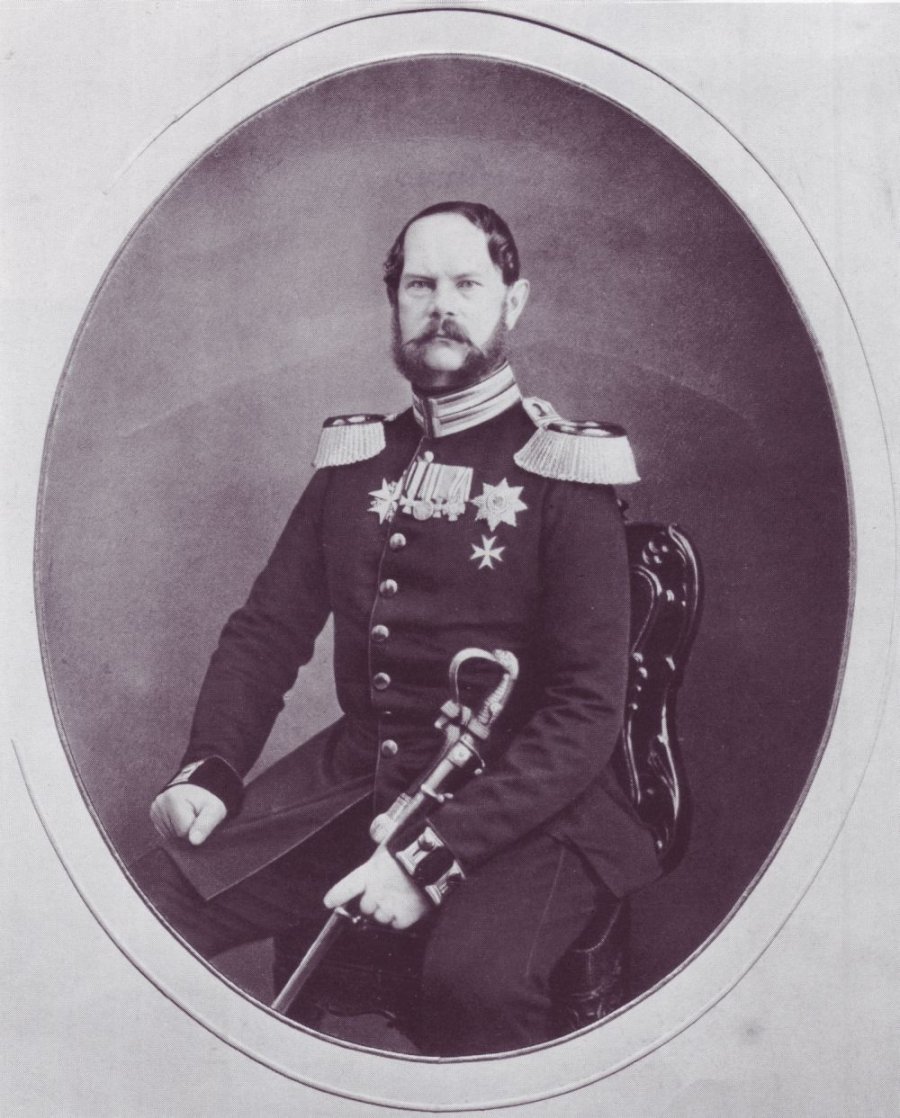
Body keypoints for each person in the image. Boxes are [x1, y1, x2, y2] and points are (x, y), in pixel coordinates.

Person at [135, 201, 661, 1056]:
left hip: (529, 809)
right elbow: (268, 631)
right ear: (395, 301)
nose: (441, 306)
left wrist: (429, 857)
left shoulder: (564, 473)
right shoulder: (358, 464)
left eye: (467, 285)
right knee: (151, 906)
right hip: (365, 781)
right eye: (421, 285)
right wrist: (211, 768)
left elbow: (585, 712)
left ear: (513, 301)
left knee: (471, 986)